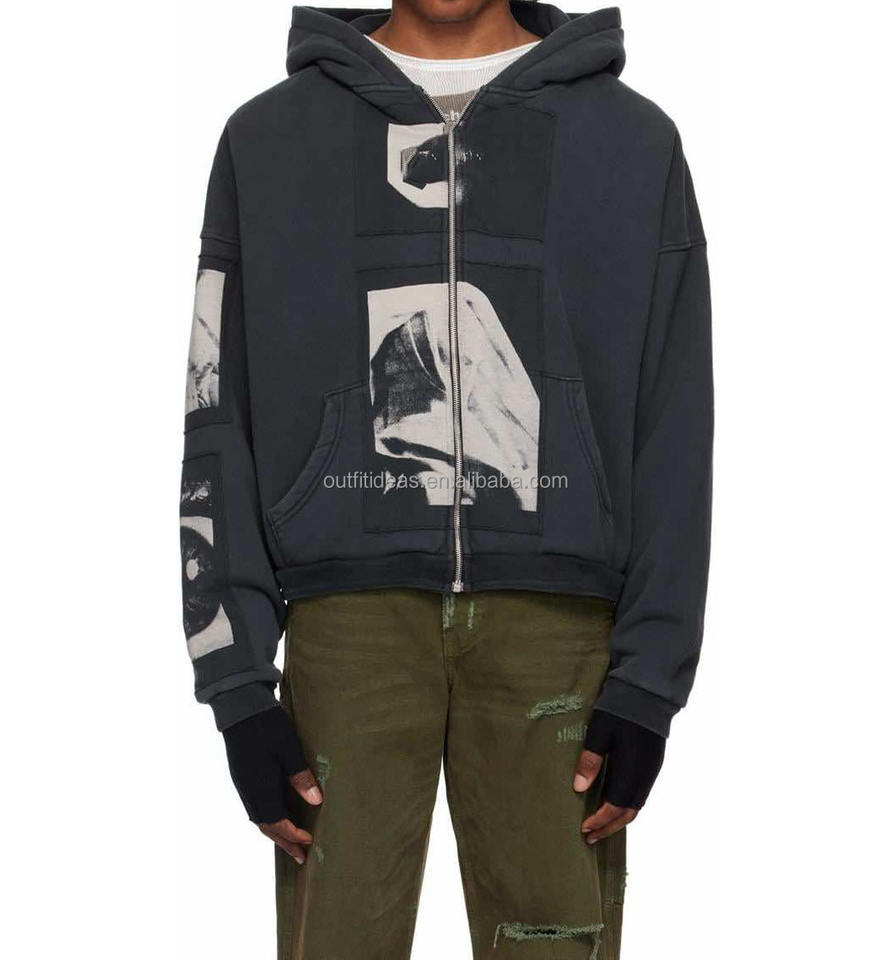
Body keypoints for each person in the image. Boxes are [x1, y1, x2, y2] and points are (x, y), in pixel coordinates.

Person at [179, 2, 712, 957]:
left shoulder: (630, 141)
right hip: (345, 624)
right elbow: (219, 412)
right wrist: (238, 686)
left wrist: (650, 680)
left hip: (558, 631)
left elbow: (675, 421)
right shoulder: (269, 139)